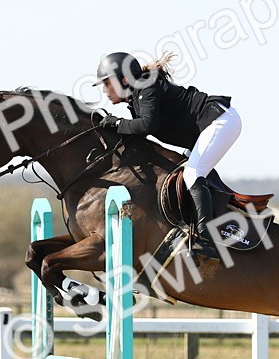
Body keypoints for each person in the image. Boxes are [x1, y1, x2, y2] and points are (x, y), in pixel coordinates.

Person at [95, 51, 241, 259]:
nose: (105, 90)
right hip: (209, 127)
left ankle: (206, 241)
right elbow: (140, 131)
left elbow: (147, 125)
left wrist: (117, 123)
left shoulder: (146, 85)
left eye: (107, 83)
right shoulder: (136, 98)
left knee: (192, 174)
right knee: (184, 175)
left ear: (124, 79)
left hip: (220, 120)